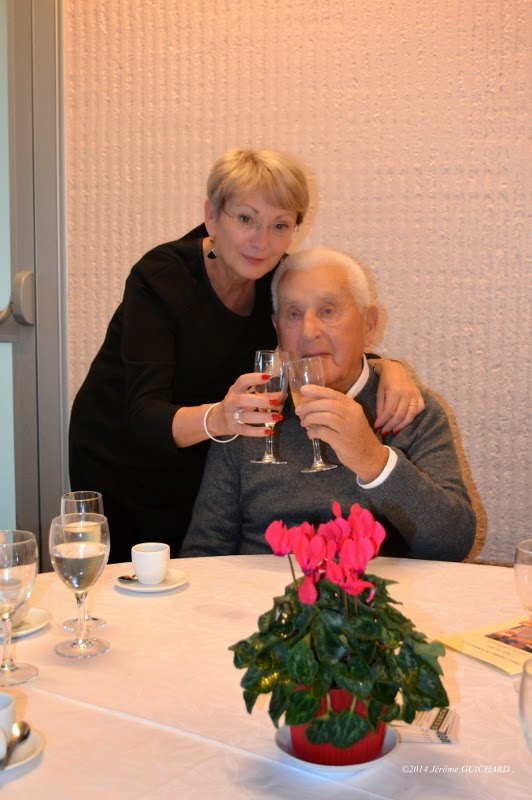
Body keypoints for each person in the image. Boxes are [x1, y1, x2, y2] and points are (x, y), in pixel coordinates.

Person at [69, 149, 423, 563]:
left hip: (205, 454)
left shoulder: (275, 277)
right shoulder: (163, 277)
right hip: (123, 455)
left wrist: (390, 368)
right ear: (212, 215)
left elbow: (320, 345)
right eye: (245, 219)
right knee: (136, 582)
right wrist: (221, 419)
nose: (261, 241)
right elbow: (144, 417)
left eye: (279, 225)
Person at [182, 247, 476, 561]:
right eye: (294, 315)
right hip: (260, 590)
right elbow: (203, 553)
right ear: (277, 328)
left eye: (327, 311)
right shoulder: (251, 411)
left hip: (372, 590)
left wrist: (373, 460)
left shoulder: (409, 410)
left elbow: (452, 544)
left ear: (369, 324)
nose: (309, 331)